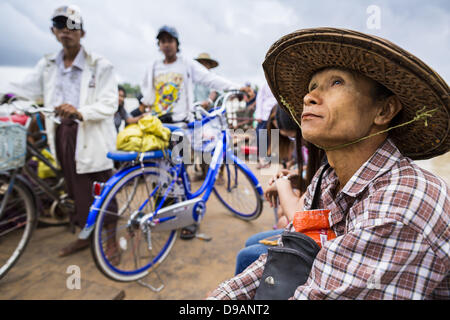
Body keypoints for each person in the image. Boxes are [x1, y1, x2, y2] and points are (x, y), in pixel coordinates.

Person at [208, 28, 449, 300]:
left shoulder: (402, 204)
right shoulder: (329, 177)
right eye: (311, 87)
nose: (308, 98)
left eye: (336, 82)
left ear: (383, 111)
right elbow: (290, 248)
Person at [4, 5, 120, 260]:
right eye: (60, 25)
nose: (66, 31)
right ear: (53, 31)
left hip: (91, 133)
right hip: (62, 134)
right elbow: (23, 87)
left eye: (72, 26)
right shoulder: (48, 65)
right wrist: (5, 94)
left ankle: (111, 239)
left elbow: (110, 102)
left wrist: (80, 111)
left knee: (101, 187)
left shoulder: (100, 65)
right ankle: (84, 235)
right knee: (74, 188)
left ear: (82, 33)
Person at [141, 25, 254, 239]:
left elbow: (211, 80)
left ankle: (189, 219)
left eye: (170, 40)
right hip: (159, 125)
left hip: (182, 125)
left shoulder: (186, 65)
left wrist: (237, 86)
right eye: (162, 41)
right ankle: (163, 212)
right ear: (159, 45)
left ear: (176, 43)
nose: (166, 44)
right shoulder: (153, 67)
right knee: (161, 169)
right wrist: (142, 110)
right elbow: (147, 94)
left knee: (180, 172)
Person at [254, 81, 278, 169]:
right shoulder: (264, 84)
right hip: (264, 116)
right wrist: (258, 115)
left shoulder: (278, 83)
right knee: (260, 138)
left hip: (274, 115)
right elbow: (259, 99)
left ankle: (268, 161)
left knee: (271, 139)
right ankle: (261, 161)